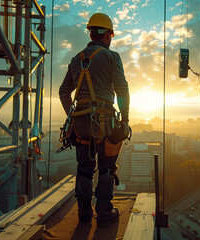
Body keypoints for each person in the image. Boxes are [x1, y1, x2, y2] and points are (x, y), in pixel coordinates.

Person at [59, 12, 130, 227]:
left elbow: (63, 92)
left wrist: (72, 116)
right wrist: (124, 120)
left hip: (80, 126)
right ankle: (104, 212)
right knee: (106, 168)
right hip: (104, 122)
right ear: (108, 35)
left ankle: (84, 214)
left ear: (91, 33)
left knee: (84, 168)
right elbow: (121, 89)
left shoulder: (75, 59)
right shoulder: (111, 57)